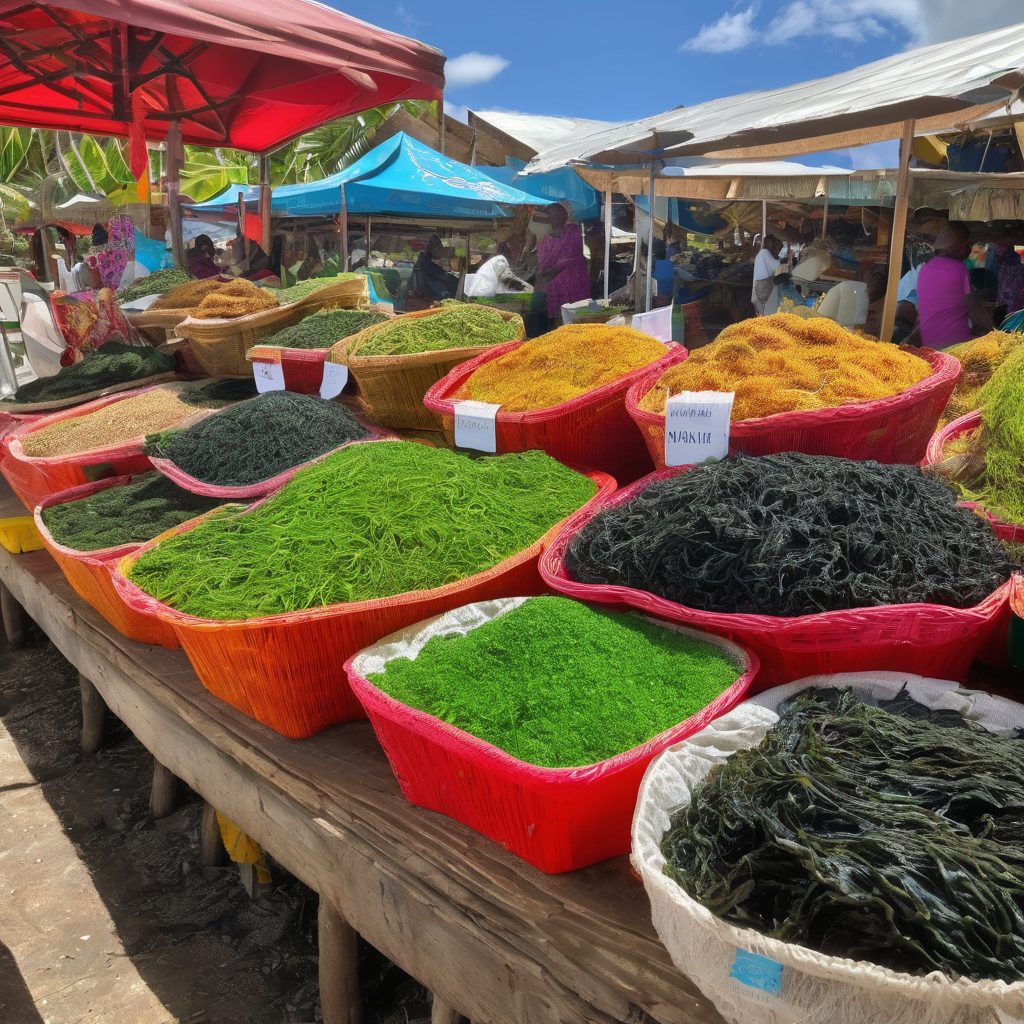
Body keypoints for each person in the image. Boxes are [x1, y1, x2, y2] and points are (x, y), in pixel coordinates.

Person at [912, 224, 995, 349]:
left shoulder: (926, 268)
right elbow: (975, 307)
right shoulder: (958, 268)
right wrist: (995, 336)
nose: (971, 250)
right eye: (969, 246)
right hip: (955, 345)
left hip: (929, 343)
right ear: (961, 247)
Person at [535, 202, 590, 318]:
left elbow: (570, 255)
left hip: (572, 279)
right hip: (553, 281)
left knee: (573, 315)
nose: (553, 218)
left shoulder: (573, 231)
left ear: (565, 216)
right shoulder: (550, 236)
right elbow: (543, 260)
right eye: (551, 215)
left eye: (556, 215)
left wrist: (551, 271)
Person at [403, 234, 458, 310]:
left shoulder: (425, 262)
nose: (443, 253)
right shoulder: (426, 264)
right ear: (434, 249)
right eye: (440, 248)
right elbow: (441, 276)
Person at [752, 235, 783, 315]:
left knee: (761, 306)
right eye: (773, 244)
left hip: (759, 283)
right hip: (763, 283)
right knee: (764, 305)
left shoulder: (762, 253)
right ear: (769, 243)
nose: (774, 246)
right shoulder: (765, 253)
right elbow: (776, 265)